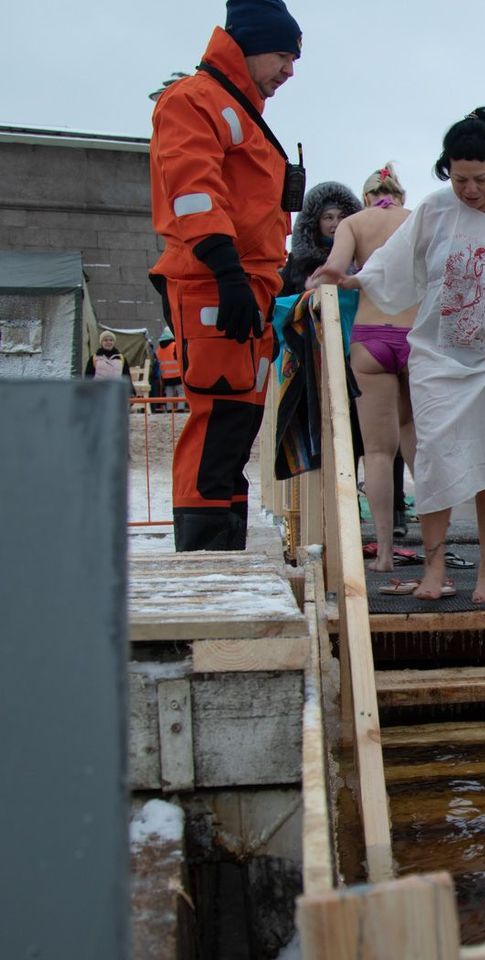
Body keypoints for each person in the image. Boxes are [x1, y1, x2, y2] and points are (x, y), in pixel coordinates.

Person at [320, 109, 485, 603]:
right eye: (460, 179)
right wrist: (352, 279)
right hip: (438, 356)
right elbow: (395, 263)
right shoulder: (436, 209)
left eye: (480, 179)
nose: (470, 190)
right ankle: (435, 570)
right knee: (435, 462)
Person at [147, 0, 302, 551]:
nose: (290, 70)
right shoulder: (195, 100)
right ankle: (205, 561)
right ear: (252, 46)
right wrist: (228, 272)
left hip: (245, 287)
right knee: (218, 423)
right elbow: (194, 192)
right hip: (216, 286)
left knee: (235, 425)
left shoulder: (238, 108)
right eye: (284, 55)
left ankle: (221, 553)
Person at [310, 164, 419, 572]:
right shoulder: (416, 221)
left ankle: (385, 554)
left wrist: (318, 285)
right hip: (414, 335)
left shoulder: (353, 224)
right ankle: (437, 555)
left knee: (376, 451)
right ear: (400, 194)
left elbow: (334, 273)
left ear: (368, 195)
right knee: (415, 442)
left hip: (370, 338)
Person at [279, 181, 361, 296]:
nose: (336, 223)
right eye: (328, 217)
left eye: (342, 217)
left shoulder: (361, 258)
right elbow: (280, 304)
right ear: (316, 222)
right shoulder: (297, 263)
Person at [155, 330, 184, 410]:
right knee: (181, 392)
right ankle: (180, 409)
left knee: (169, 394)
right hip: (177, 375)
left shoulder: (159, 349)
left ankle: (169, 409)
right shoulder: (175, 345)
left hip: (165, 377)